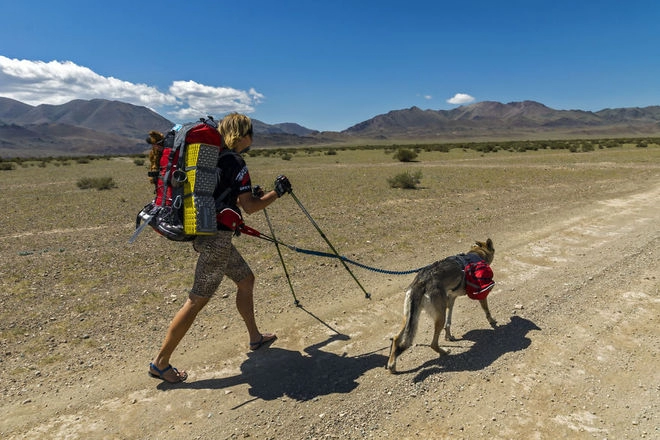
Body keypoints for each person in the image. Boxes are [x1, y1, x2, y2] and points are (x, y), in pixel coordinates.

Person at [149, 113, 292, 383]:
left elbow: (224, 195)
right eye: (252, 134)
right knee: (196, 300)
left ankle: (254, 337)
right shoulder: (235, 161)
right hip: (217, 241)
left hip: (208, 234)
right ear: (243, 135)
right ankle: (161, 362)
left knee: (246, 280)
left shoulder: (214, 159)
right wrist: (277, 193)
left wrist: (247, 193)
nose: (253, 140)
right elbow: (249, 207)